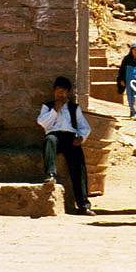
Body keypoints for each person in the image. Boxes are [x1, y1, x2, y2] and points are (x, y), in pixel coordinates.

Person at [37, 75, 95, 216]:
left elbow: (84, 126)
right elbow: (42, 123)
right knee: (49, 140)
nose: (60, 95)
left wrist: (81, 137)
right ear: (54, 92)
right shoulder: (47, 106)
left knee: (78, 166)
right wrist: (55, 110)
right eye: (58, 92)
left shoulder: (74, 108)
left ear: (68, 93)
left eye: (63, 92)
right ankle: (51, 174)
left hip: (70, 138)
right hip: (54, 135)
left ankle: (83, 204)